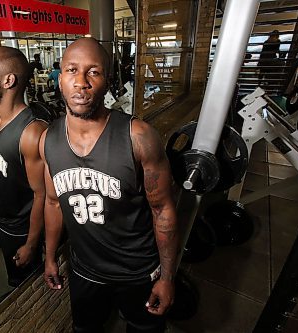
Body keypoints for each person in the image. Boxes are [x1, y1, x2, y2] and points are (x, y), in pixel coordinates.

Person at [40, 38, 179, 332]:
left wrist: (167, 277)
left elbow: (162, 209)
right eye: (71, 70)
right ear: (60, 78)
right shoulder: (47, 140)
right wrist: (50, 256)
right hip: (86, 271)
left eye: (94, 72)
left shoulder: (138, 136)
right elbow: (53, 203)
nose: (81, 82)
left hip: (138, 271)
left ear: (107, 81)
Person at [0, 46, 47, 288]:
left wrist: (30, 243)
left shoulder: (31, 132)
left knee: (25, 282)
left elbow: (42, 195)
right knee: (10, 268)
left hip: (20, 228)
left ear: (8, 80)